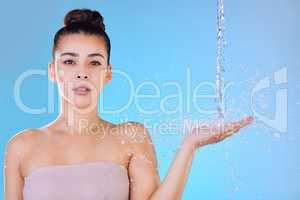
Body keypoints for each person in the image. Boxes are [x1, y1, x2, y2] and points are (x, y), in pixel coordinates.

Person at [4, 8, 253, 200]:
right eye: (69, 62)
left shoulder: (132, 136)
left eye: (94, 62)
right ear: (52, 71)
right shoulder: (22, 145)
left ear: (108, 73)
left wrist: (190, 146)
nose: (82, 73)